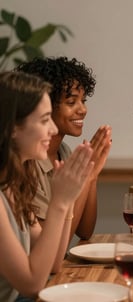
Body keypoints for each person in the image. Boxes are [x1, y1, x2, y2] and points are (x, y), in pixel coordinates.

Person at [0, 71, 94, 301]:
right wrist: (59, 203)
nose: (53, 130)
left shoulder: (14, 183)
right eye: (44, 120)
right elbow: (32, 284)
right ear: (13, 128)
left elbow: (53, 262)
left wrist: (69, 199)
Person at [15, 57, 112, 241]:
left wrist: (91, 173)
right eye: (71, 102)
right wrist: (87, 176)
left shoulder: (65, 151)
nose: (82, 109)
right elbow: (55, 244)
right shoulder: (26, 162)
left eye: (83, 100)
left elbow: (84, 231)